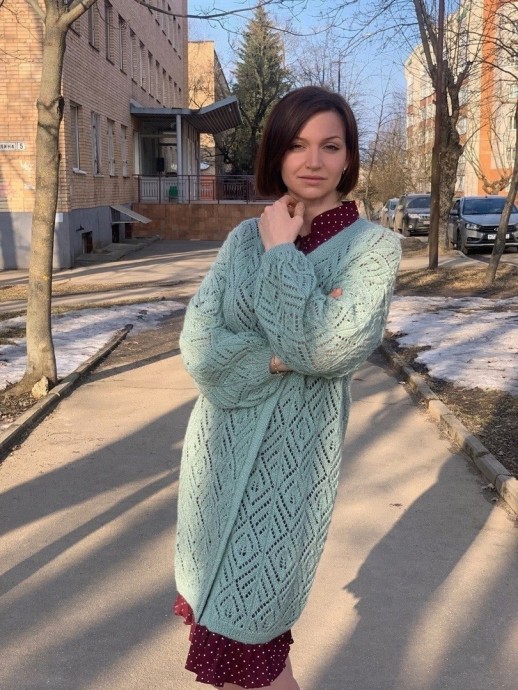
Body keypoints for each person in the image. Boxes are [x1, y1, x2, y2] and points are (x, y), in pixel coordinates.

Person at [173, 85, 402, 690]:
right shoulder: (240, 241)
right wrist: (278, 357)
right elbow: (199, 347)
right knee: (227, 644)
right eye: (297, 145)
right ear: (276, 153)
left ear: (349, 158)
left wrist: (282, 254)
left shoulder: (373, 250)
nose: (313, 161)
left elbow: (329, 349)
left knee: (257, 650)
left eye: (331, 146)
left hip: (289, 473)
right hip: (216, 461)